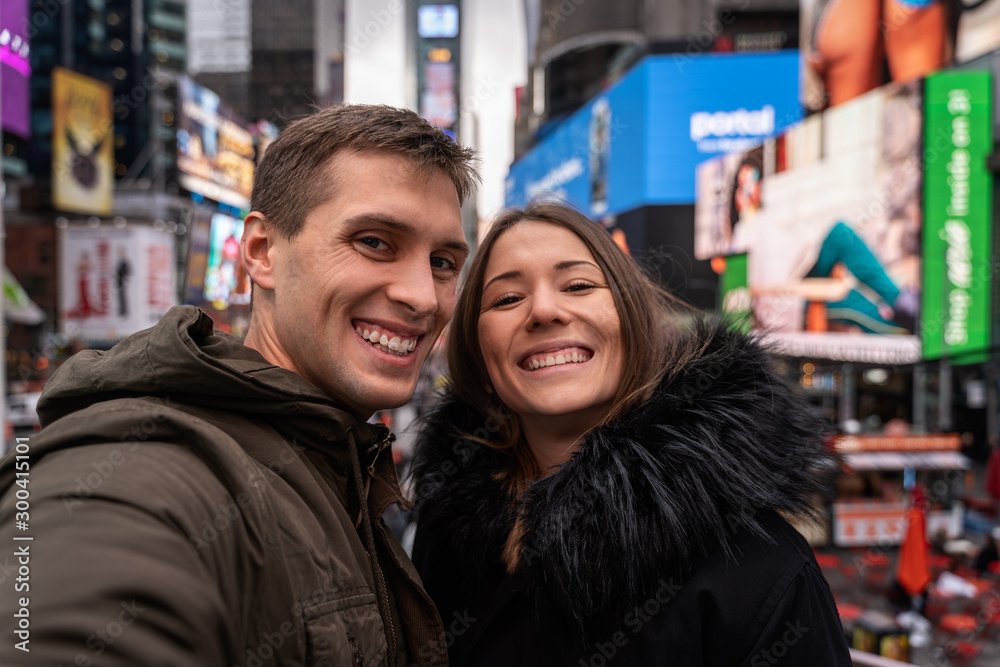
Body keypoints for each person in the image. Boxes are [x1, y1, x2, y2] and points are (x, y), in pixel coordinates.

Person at [0, 104, 478, 666]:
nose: (423, 295)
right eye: (374, 242)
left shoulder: (338, 461)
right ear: (261, 252)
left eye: (444, 262)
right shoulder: (143, 464)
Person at [409, 201, 852, 666]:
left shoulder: (759, 566)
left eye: (578, 285)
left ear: (632, 320)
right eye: (506, 299)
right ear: (478, 353)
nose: (542, 310)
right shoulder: (446, 534)